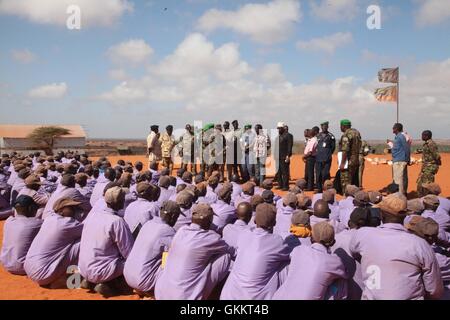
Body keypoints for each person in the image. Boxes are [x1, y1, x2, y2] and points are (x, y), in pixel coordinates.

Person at [349, 194, 444, 300]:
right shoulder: (420, 244)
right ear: (405, 216)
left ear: (381, 215)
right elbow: (434, 289)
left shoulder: (362, 235)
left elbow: (354, 252)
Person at [155, 203, 232, 300]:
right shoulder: (212, 237)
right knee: (225, 256)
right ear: (209, 221)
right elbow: (231, 250)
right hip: (184, 298)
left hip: (160, 293)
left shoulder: (181, 230)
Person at [220, 203, 290, 300]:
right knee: (286, 265)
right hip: (255, 298)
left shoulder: (244, 234)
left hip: (229, 295)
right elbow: (290, 256)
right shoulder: (277, 242)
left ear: (254, 220)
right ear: (274, 223)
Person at [79, 187, 134, 297]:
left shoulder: (94, 215)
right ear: (121, 202)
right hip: (101, 271)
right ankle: (108, 285)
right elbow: (128, 253)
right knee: (131, 262)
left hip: (83, 268)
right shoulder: (116, 221)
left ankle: (90, 281)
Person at [274, 222, 348, 300]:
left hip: (279, 297)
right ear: (333, 242)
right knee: (341, 282)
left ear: (311, 238)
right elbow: (345, 274)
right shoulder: (334, 261)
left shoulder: (299, 249)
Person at [123, 201, 181, 296]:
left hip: (127, 274)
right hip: (143, 281)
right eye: (177, 217)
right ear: (173, 216)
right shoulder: (168, 231)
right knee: (172, 264)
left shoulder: (148, 223)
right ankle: (152, 293)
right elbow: (169, 258)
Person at [24, 198, 83, 287]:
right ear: (61, 210)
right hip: (43, 274)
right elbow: (88, 231)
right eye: (71, 208)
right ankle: (73, 280)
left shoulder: (50, 219)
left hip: (29, 269)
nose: (75, 210)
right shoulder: (66, 223)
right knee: (83, 242)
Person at [332, 207, 372, 300]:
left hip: (337, 292)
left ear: (350, 222)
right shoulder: (369, 242)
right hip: (360, 292)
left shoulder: (335, 238)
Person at [0, 195, 43, 275]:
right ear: (30, 208)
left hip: (6, 263)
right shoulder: (36, 224)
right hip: (23, 267)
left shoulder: (9, 221)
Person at [338, 119, 362, 194]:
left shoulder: (346, 135)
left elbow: (345, 150)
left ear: (343, 126)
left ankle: (347, 199)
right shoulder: (356, 133)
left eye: (340, 126)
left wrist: (342, 163)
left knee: (346, 183)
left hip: (348, 162)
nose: (340, 128)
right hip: (356, 160)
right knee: (354, 182)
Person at [417, 130, 441, 197]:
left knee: (428, 184)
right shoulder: (426, 144)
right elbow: (428, 152)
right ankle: (422, 197)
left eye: (423, 135)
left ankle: (429, 199)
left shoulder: (431, 144)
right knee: (420, 183)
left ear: (427, 136)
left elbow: (437, 156)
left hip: (430, 167)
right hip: (426, 167)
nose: (421, 136)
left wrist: (437, 163)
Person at [389, 123, 411, 195]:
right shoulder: (398, 137)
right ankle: (403, 194)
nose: (392, 129)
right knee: (403, 178)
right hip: (400, 160)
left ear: (397, 129)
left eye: (393, 128)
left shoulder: (400, 137)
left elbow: (406, 147)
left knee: (398, 180)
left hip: (399, 161)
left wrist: (407, 159)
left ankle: (400, 196)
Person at [315, 121, 336, 193]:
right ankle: (319, 189)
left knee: (325, 174)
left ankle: (326, 188)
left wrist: (328, 153)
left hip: (327, 158)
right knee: (318, 174)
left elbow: (333, 147)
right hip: (318, 158)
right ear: (321, 127)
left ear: (327, 127)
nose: (324, 127)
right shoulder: (317, 136)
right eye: (323, 126)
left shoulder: (331, 136)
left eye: (325, 126)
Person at [275, 122, 292, 191]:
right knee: (279, 172)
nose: (278, 130)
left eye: (279, 128)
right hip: (278, 157)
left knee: (285, 172)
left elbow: (289, 146)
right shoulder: (278, 136)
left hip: (284, 157)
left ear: (282, 128)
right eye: (277, 128)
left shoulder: (288, 136)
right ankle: (280, 184)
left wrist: (288, 155)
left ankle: (285, 186)